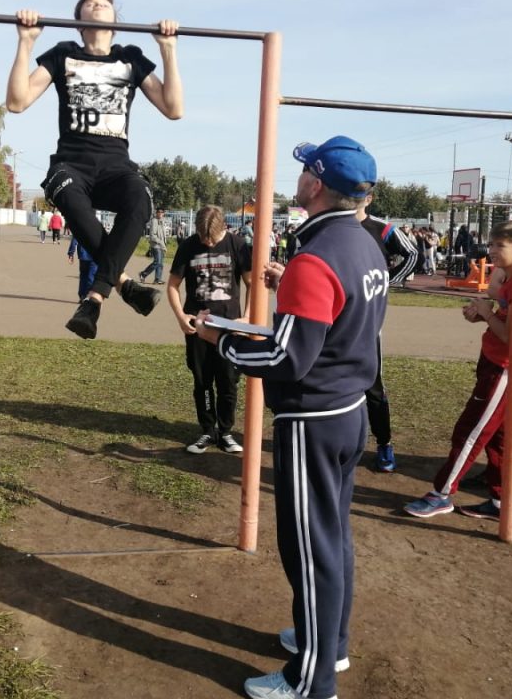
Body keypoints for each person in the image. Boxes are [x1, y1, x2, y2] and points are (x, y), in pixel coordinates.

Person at [195, 136, 387, 699]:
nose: (298, 176)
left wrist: (220, 341)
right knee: (334, 539)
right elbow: (342, 319)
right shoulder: (363, 243)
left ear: (317, 185)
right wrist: (292, 291)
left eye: (306, 170)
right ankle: (332, 644)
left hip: (313, 419)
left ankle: (312, 680)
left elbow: (287, 357)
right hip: (349, 412)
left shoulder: (316, 255)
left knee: (310, 547)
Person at [6, 0, 183, 340]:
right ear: (80, 22)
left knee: (141, 199)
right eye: (91, 3)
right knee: (67, 194)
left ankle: (95, 297)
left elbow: (173, 108)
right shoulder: (63, 55)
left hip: (117, 165)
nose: (99, 5)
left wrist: (168, 50)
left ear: (115, 21)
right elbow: (16, 101)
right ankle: (123, 283)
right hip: (72, 163)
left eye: (105, 4)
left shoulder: (130, 58)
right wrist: (25, 42)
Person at [403, 219, 512, 521]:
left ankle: (442, 494)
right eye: (491, 244)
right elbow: (503, 321)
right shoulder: (511, 277)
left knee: (470, 431)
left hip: (505, 369)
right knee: (498, 439)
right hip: (495, 363)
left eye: (499, 245)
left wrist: (485, 312)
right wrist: (482, 315)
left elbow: (511, 336)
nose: (491, 251)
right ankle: (500, 500)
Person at [167, 205, 251, 455]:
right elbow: (172, 285)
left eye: (211, 239)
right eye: (203, 238)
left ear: (224, 228)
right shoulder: (188, 246)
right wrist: (181, 317)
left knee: (228, 382)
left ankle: (225, 432)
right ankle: (207, 430)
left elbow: (252, 284)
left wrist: (246, 317)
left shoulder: (238, 245)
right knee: (202, 380)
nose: (207, 243)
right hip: (197, 327)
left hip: (229, 328)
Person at [355, 190, 419, 472]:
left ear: (369, 199)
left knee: (372, 384)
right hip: (331, 319)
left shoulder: (382, 229)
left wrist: (388, 281)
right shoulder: (328, 226)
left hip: (367, 322)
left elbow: (412, 253)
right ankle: (342, 443)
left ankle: (384, 443)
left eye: (359, 194)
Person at [138, 208, 169, 284]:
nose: (161, 214)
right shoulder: (154, 221)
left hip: (161, 245)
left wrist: (164, 244)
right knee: (157, 262)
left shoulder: (162, 222)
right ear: (156, 213)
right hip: (156, 245)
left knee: (160, 263)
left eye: (162, 212)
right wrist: (161, 243)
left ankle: (157, 279)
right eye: (159, 212)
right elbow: (152, 235)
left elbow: (163, 235)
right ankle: (143, 274)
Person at [67, 236, 98, 301]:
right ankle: (88, 296)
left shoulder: (81, 226)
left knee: (83, 275)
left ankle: (82, 295)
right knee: (91, 276)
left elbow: (74, 239)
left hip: (83, 254)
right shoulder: (99, 226)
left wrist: (71, 253)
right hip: (95, 254)